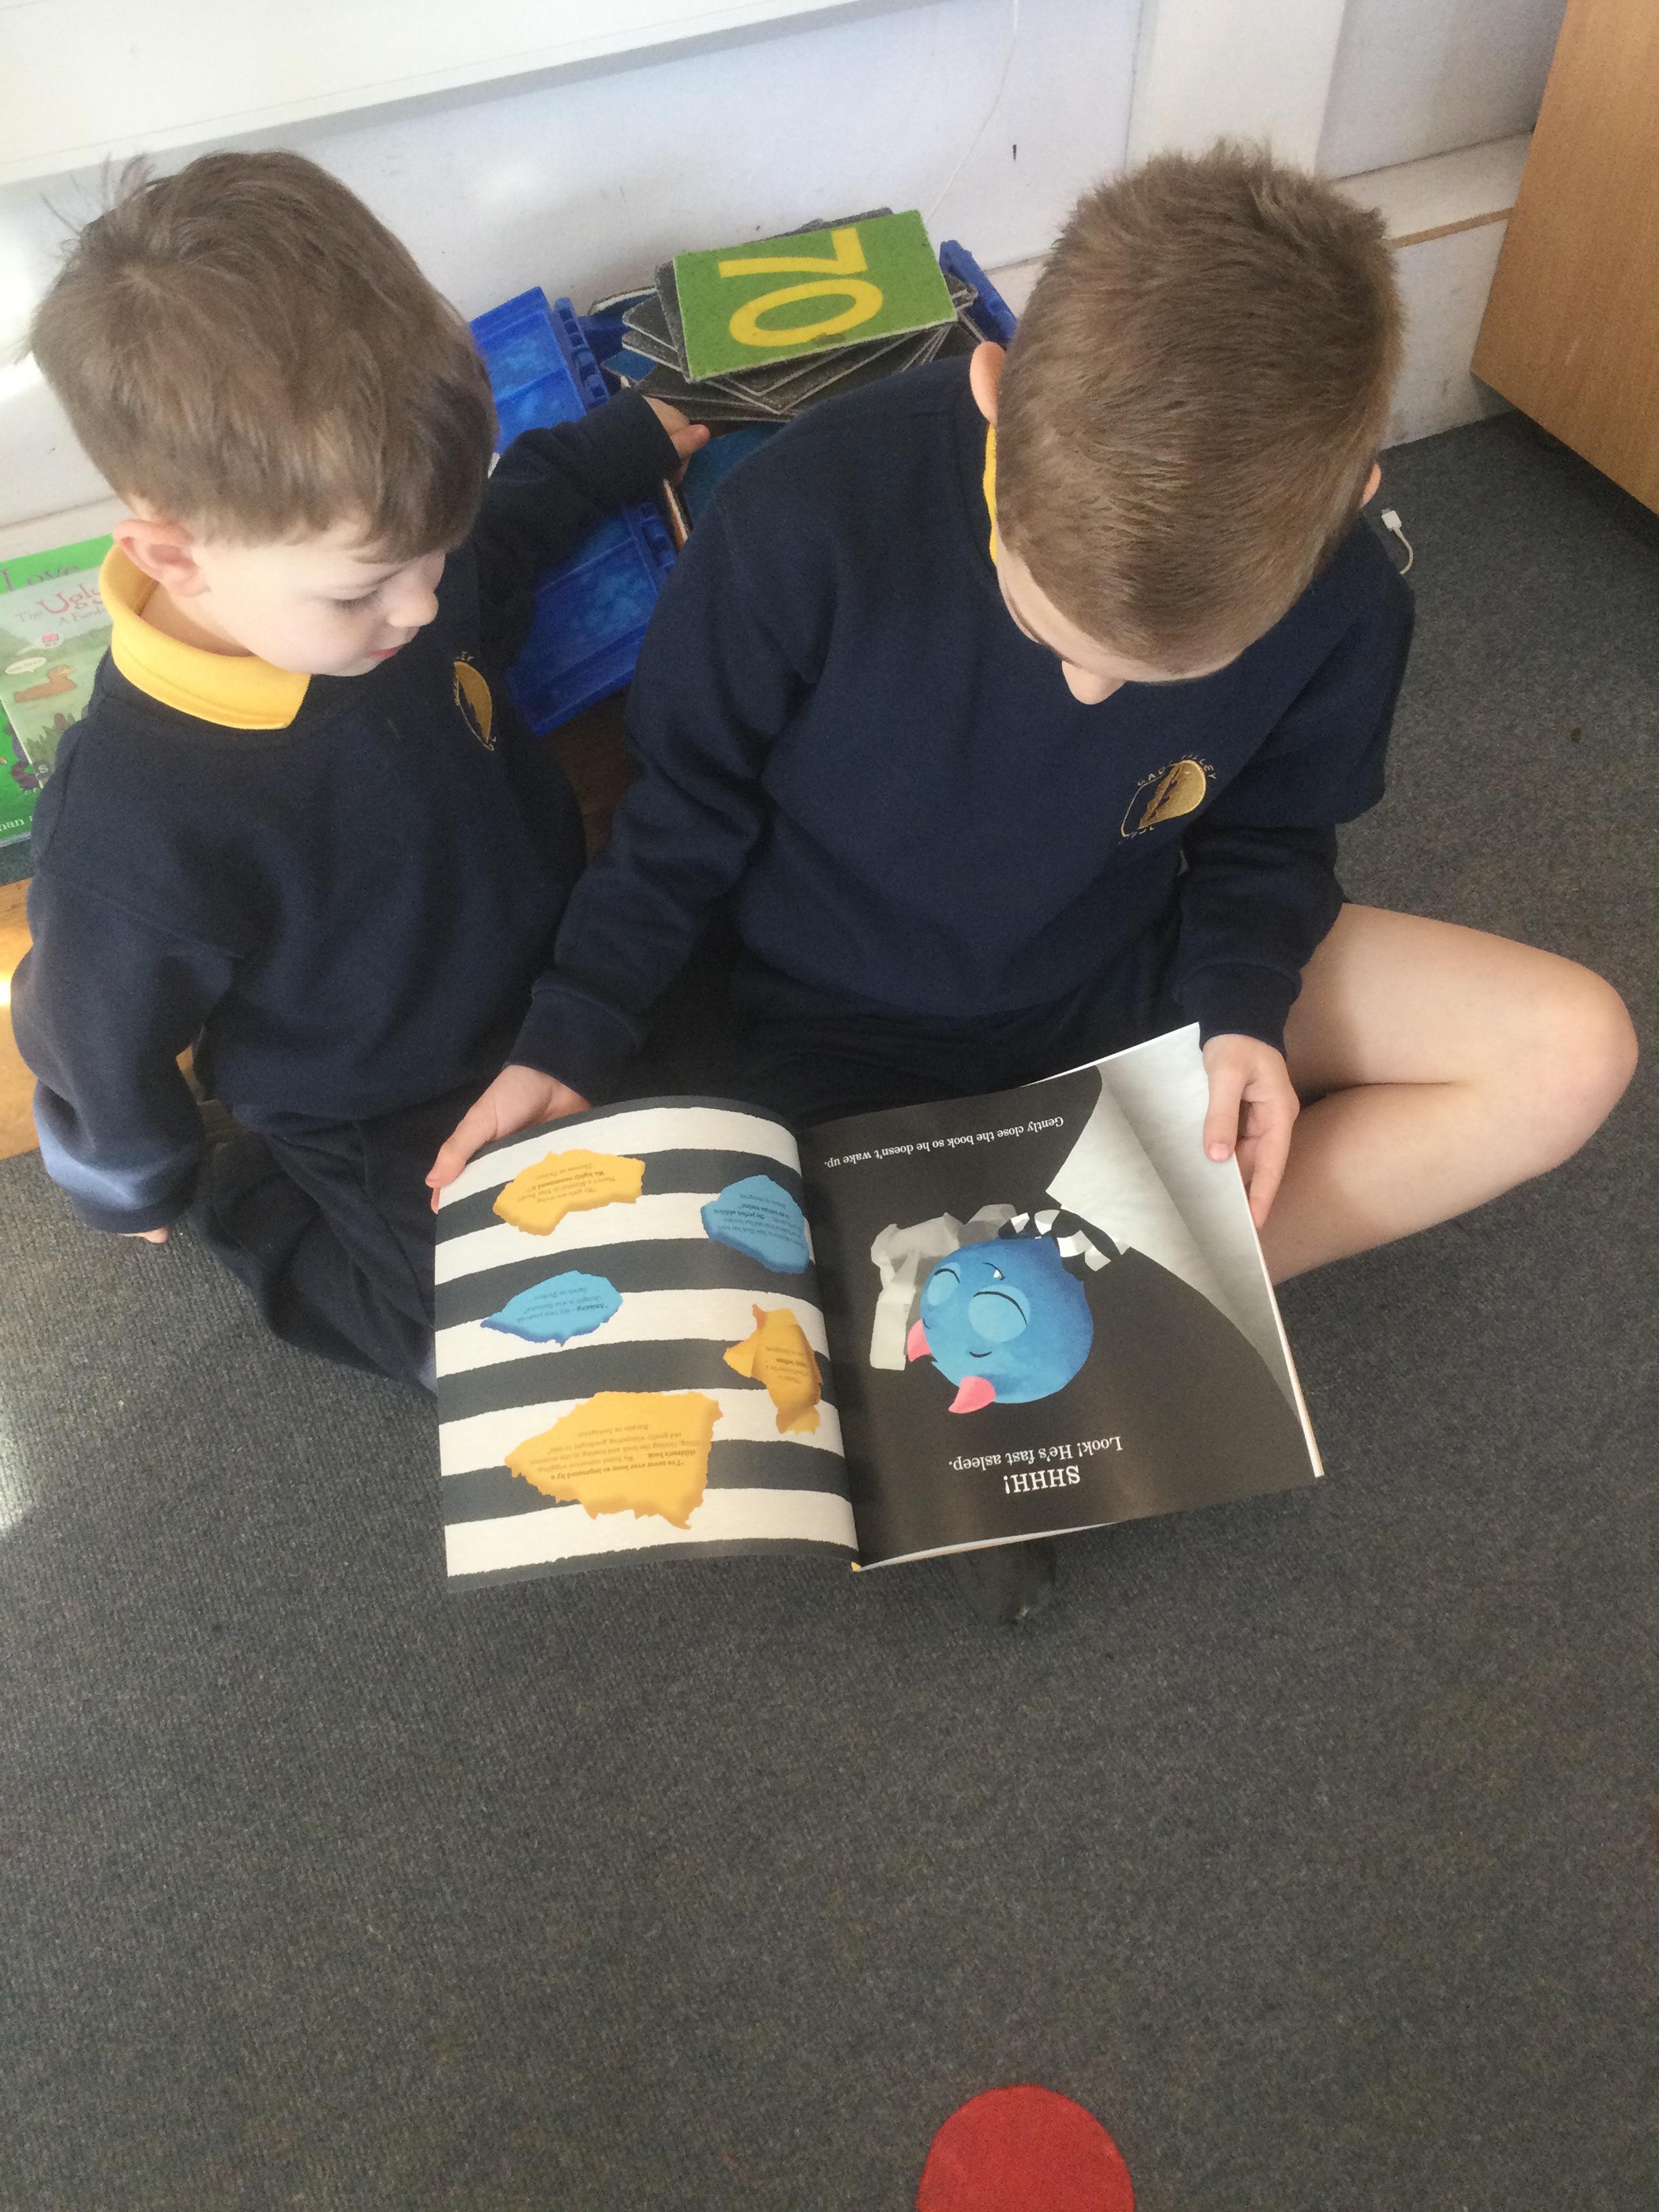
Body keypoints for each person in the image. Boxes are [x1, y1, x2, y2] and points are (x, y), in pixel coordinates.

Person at [424, 146, 1636, 1617]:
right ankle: (1033, 1301)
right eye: (1052, 624)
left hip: (1129, 971)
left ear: (1355, 501)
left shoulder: (1348, 591)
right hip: (824, 1022)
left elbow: (1269, 836)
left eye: (1154, 678)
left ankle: (1117, 1291)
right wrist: (571, 1031)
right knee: (721, 1344)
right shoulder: (809, 513)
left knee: (1573, 1049)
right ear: (993, 387)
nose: (1086, 693)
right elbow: (682, 816)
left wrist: (1245, 1013)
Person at [13, 150, 705, 1387]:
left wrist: (615, 447)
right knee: (487, 1343)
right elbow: (91, 1042)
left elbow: (500, 533)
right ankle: (266, 1214)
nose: (426, 602)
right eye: (368, 586)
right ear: (174, 558)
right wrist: (134, 1182)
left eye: (434, 549)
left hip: (560, 958)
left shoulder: (375, 568)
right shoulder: (126, 829)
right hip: (374, 1101)